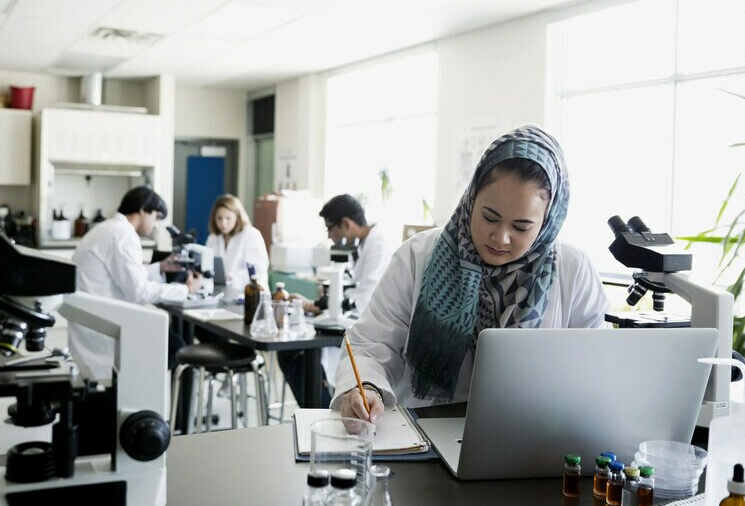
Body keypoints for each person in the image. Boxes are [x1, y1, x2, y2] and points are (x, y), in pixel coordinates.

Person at [333, 125, 609, 422]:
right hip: (421, 434)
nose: (500, 237)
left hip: (532, 436)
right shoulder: (417, 257)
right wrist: (366, 388)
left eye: (521, 226)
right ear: (471, 198)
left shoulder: (573, 270)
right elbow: (371, 345)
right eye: (489, 217)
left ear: (548, 220)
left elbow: (597, 366)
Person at [278, 194, 400, 407]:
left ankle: (323, 412)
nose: (329, 236)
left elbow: (363, 302)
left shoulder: (379, 248)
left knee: (300, 356)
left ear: (346, 224)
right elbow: (351, 290)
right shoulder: (363, 245)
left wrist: (316, 306)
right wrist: (318, 303)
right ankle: (318, 411)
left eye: (330, 229)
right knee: (288, 353)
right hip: (352, 324)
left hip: (373, 335)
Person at [69, 186, 203, 379]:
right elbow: (138, 291)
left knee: (171, 341)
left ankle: (139, 387)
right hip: (105, 325)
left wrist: (160, 268)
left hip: (92, 318)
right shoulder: (124, 235)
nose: (156, 225)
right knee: (175, 347)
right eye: (156, 217)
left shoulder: (109, 228)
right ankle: (138, 388)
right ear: (143, 209)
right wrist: (185, 289)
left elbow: (120, 276)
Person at [204, 194, 269, 294]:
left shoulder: (251, 235)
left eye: (228, 218)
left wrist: (232, 278)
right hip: (222, 293)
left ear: (237, 216)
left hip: (249, 295)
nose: (223, 223)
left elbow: (257, 272)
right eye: (219, 218)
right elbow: (207, 267)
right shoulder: (213, 238)